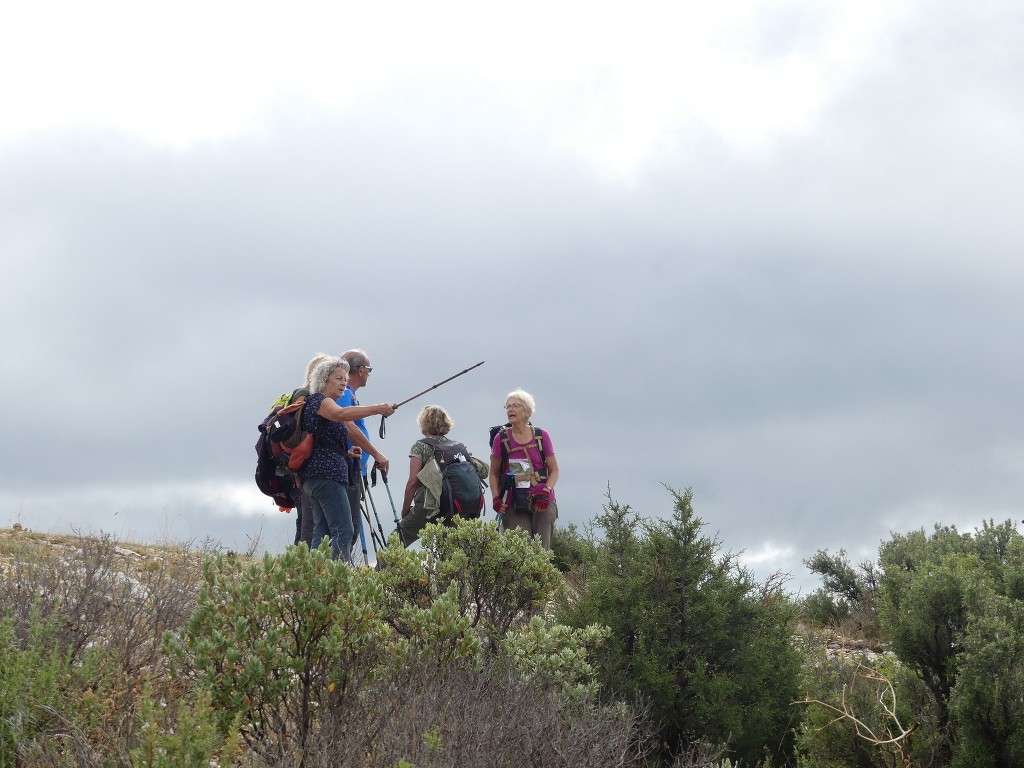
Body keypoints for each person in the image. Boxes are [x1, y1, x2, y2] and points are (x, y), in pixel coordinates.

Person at [300, 356, 395, 560]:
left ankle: (314, 576)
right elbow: (342, 414)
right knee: (344, 530)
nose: (344, 383)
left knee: (322, 531)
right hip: (327, 476)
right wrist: (377, 409)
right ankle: (337, 579)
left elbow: (323, 440)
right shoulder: (320, 401)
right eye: (338, 378)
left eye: (345, 378)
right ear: (324, 380)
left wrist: (347, 453)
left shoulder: (318, 404)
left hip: (318, 475)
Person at [399, 405, 487, 546]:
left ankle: (380, 568)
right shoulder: (458, 446)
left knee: (397, 540)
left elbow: (412, 482)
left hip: (429, 505)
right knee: (452, 551)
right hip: (455, 505)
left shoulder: (420, 446)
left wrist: (405, 511)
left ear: (424, 423)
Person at [488, 389, 560, 550]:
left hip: (542, 499)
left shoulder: (541, 436)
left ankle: (543, 575)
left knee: (542, 550)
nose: (510, 410)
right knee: (521, 550)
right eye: (507, 406)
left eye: (515, 406)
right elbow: (493, 473)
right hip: (513, 501)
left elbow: (554, 470)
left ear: (527, 411)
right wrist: (496, 499)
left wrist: (546, 491)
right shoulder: (501, 439)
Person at [336, 349, 390, 558]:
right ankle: (339, 570)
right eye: (369, 369)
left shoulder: (350, 395)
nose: (369, 373)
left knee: (350, 524)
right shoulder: (344, 395)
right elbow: (347, 425)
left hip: (355, 469)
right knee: (348, 526)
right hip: (350, 469)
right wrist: (376, 454)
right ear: (360, 370)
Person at [294, 353, 329, 548]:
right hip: (307, 466)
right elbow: (299, 433)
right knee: (309, 520)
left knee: (306, 520)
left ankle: (298, 565)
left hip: (304, 465)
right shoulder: (307, 396)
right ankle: (303, 567)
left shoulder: (306, 395)